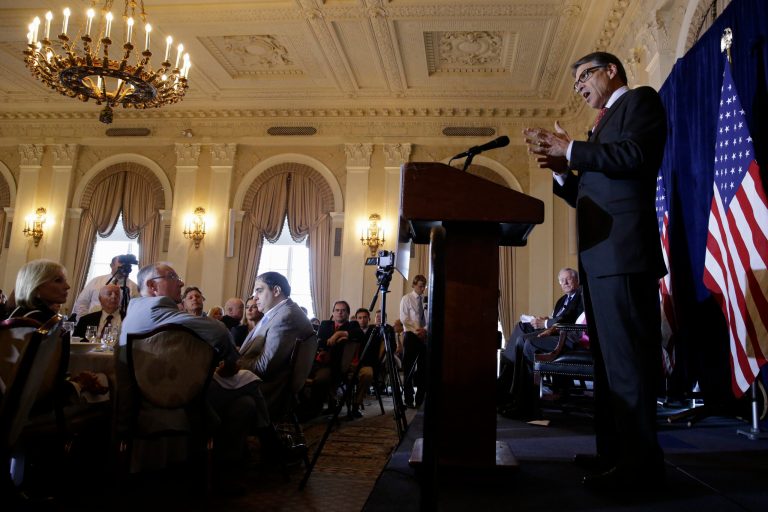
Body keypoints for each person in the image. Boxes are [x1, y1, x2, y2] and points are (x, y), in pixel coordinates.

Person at [523, 51, 667, 489]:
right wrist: (567, 171)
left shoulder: (640, 101)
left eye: (586, 76)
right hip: (599, 259)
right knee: (607, 366)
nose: (580, 86)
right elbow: (592, 188)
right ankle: (612, 453)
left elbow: (636, 156)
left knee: (628, 367)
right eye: (576, 82)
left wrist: (575, 149)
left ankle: (640, 468)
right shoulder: (600, 124)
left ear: (611, 71)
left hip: (624, 256)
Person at [117, 263, 274, 477]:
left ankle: (224, 461)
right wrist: (230, 361)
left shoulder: (135, 310)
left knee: (244, 403)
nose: (180, 282)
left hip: (147, 395)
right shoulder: (156, 309)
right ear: (153, 285)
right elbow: (218, 330)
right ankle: (258, 449)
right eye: (173, 277)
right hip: (175, 398)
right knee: (250, 387)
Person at [498, 268, 583, 404]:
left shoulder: (581, 295)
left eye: (568, 279)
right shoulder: (562, 299)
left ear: (576, 280)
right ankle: (508, 373)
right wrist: (544, 319)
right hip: (555, 329)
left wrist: (545, 323)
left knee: (524, 340)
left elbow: (567, 318)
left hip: (564, 333)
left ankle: (510, 385)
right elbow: (556, 317)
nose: (565, 283)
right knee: (521, 326)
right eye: (561, 280)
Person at [237, 272, 315, 420]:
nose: (255, 297)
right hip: (255, 380)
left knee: (206, 390)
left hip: (266, 388)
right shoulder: (277, 313)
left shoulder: (286, 317)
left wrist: (234, 364)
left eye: (259, 290)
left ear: (276, 291)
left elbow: (264, 367)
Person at [72, 254, 139, 319]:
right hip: (92, 322)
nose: (123, 265)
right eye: (121, 262)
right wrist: (84, 321)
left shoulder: (134, 287)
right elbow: (82, 303)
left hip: (119, 325)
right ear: (111, 265)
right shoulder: (96, 281)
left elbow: (136, 310)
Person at [8, 259, 70, 324]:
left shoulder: (25, 311)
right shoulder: (34, 318)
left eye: (65, 280)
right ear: (35, 286)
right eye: (58, 280)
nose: (67, 286)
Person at [399, 274, 427, 408]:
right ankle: (408, 399)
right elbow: (404, 319)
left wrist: (425, 330)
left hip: (425, 336)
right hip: (411, 335)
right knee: (408, 368)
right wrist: (418, 330)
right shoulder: (407, 299)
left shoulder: (426, 299)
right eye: (420, 286)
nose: (423, 289)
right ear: (414, 285)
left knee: (423, 369)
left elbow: (429, 317)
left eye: (424, 286)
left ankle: (420, 399)